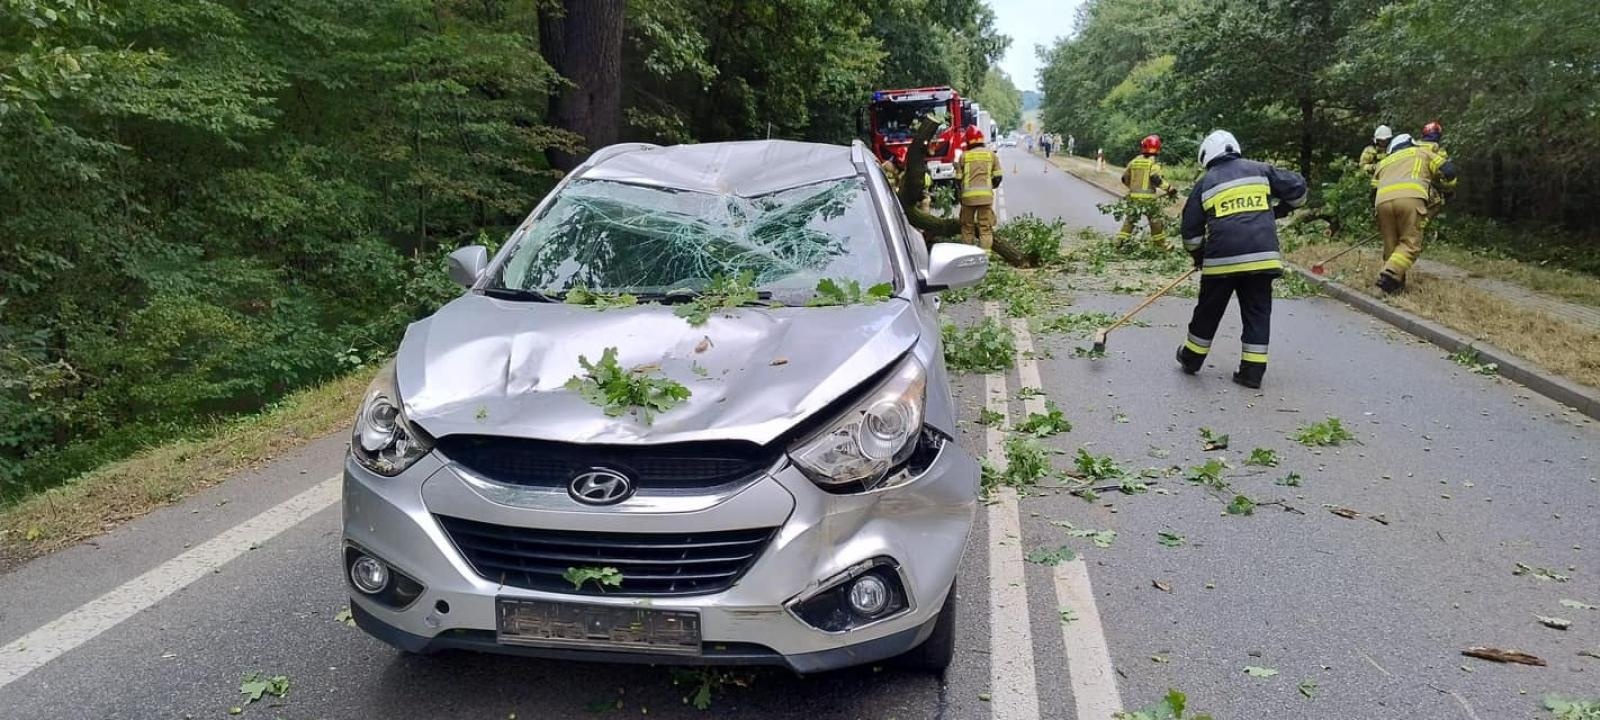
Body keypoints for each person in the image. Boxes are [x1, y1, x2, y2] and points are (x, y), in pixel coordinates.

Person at [1176, 130, 1307, 389]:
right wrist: (1279, 211)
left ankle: (1191, 358)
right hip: (1262, 259)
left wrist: (1199, 256)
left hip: (1221, 262)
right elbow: (1298, 188)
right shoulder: (1261, 170)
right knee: (1257, 313)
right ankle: (1252, 372)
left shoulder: (1205, 183)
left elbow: (1190, 233)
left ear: (1207, 157)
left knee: (1208, 310)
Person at [1372, 132, 1456, 294]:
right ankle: (1389, 273)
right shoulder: (1422, 152)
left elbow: (1373, 189)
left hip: (1382, 203)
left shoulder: (1383, 162)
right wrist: (1447, 189)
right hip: (1410, 199)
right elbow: (1449, 171)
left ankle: (1394, 285)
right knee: (1410, 243)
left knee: (1391, 244)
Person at [1117, 134, 1176, 248]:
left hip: (1133, 198)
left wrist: (1133, 188)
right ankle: (1162, 245)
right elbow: (1155, 178)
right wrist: (1169, 188)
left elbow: (1124, 178)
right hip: (1149, 200)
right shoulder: (1152, 162)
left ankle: (1120, 243)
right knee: (1155, 222)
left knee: (1129, 222)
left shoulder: (1134, 161)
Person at [956, 126, 1003, 249]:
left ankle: (968, 254)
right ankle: (985, 256)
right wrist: (990, 187)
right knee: (985, 228)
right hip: (985, 198)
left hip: (968, 199)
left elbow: (958, 180)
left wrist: (960, 195)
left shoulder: (964, 156)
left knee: (967, 228)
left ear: (968, 141)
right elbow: (998, 177)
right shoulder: (991, 155)